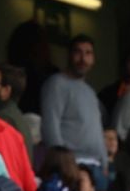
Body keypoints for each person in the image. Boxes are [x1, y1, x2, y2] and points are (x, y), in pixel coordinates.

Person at [38, 34, 106, 180]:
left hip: (96, 167)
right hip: (73, 166)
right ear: (69, 55)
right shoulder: (56, 84)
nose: (83, 58)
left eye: (88, 53)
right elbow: (51, 126)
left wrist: (104, 162)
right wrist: (62, 163)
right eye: (78, 52)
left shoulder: (90, 91)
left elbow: (97, 131)